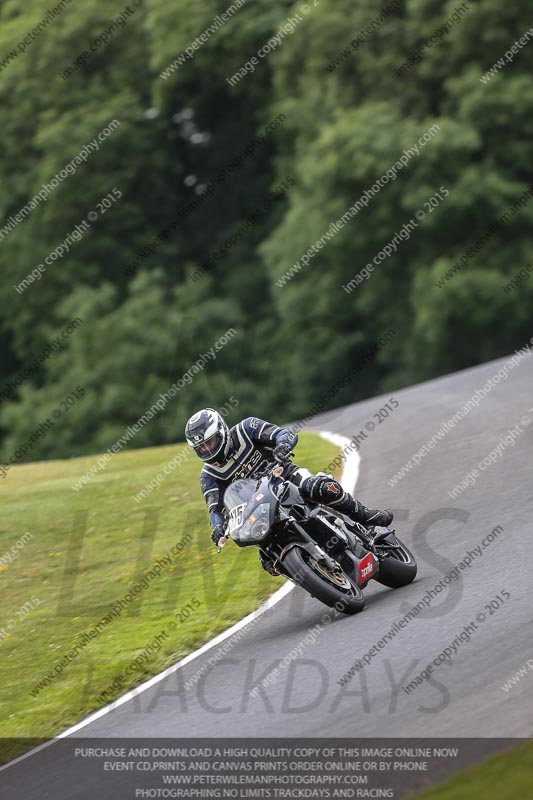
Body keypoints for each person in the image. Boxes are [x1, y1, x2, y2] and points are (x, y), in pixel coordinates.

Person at [185, 408, 393, 574]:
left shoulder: (246, 428)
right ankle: (318, 573)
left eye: (210, 442)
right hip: (259, 509)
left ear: (221, 431)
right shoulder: (208, 476)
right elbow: (215, 509)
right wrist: (217, 528)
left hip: (287, 478)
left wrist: (283, 445)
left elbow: (283, 434)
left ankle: (364, 516)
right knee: (269, 562)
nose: (208, 449)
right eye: (202, 447)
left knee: (321, 488)